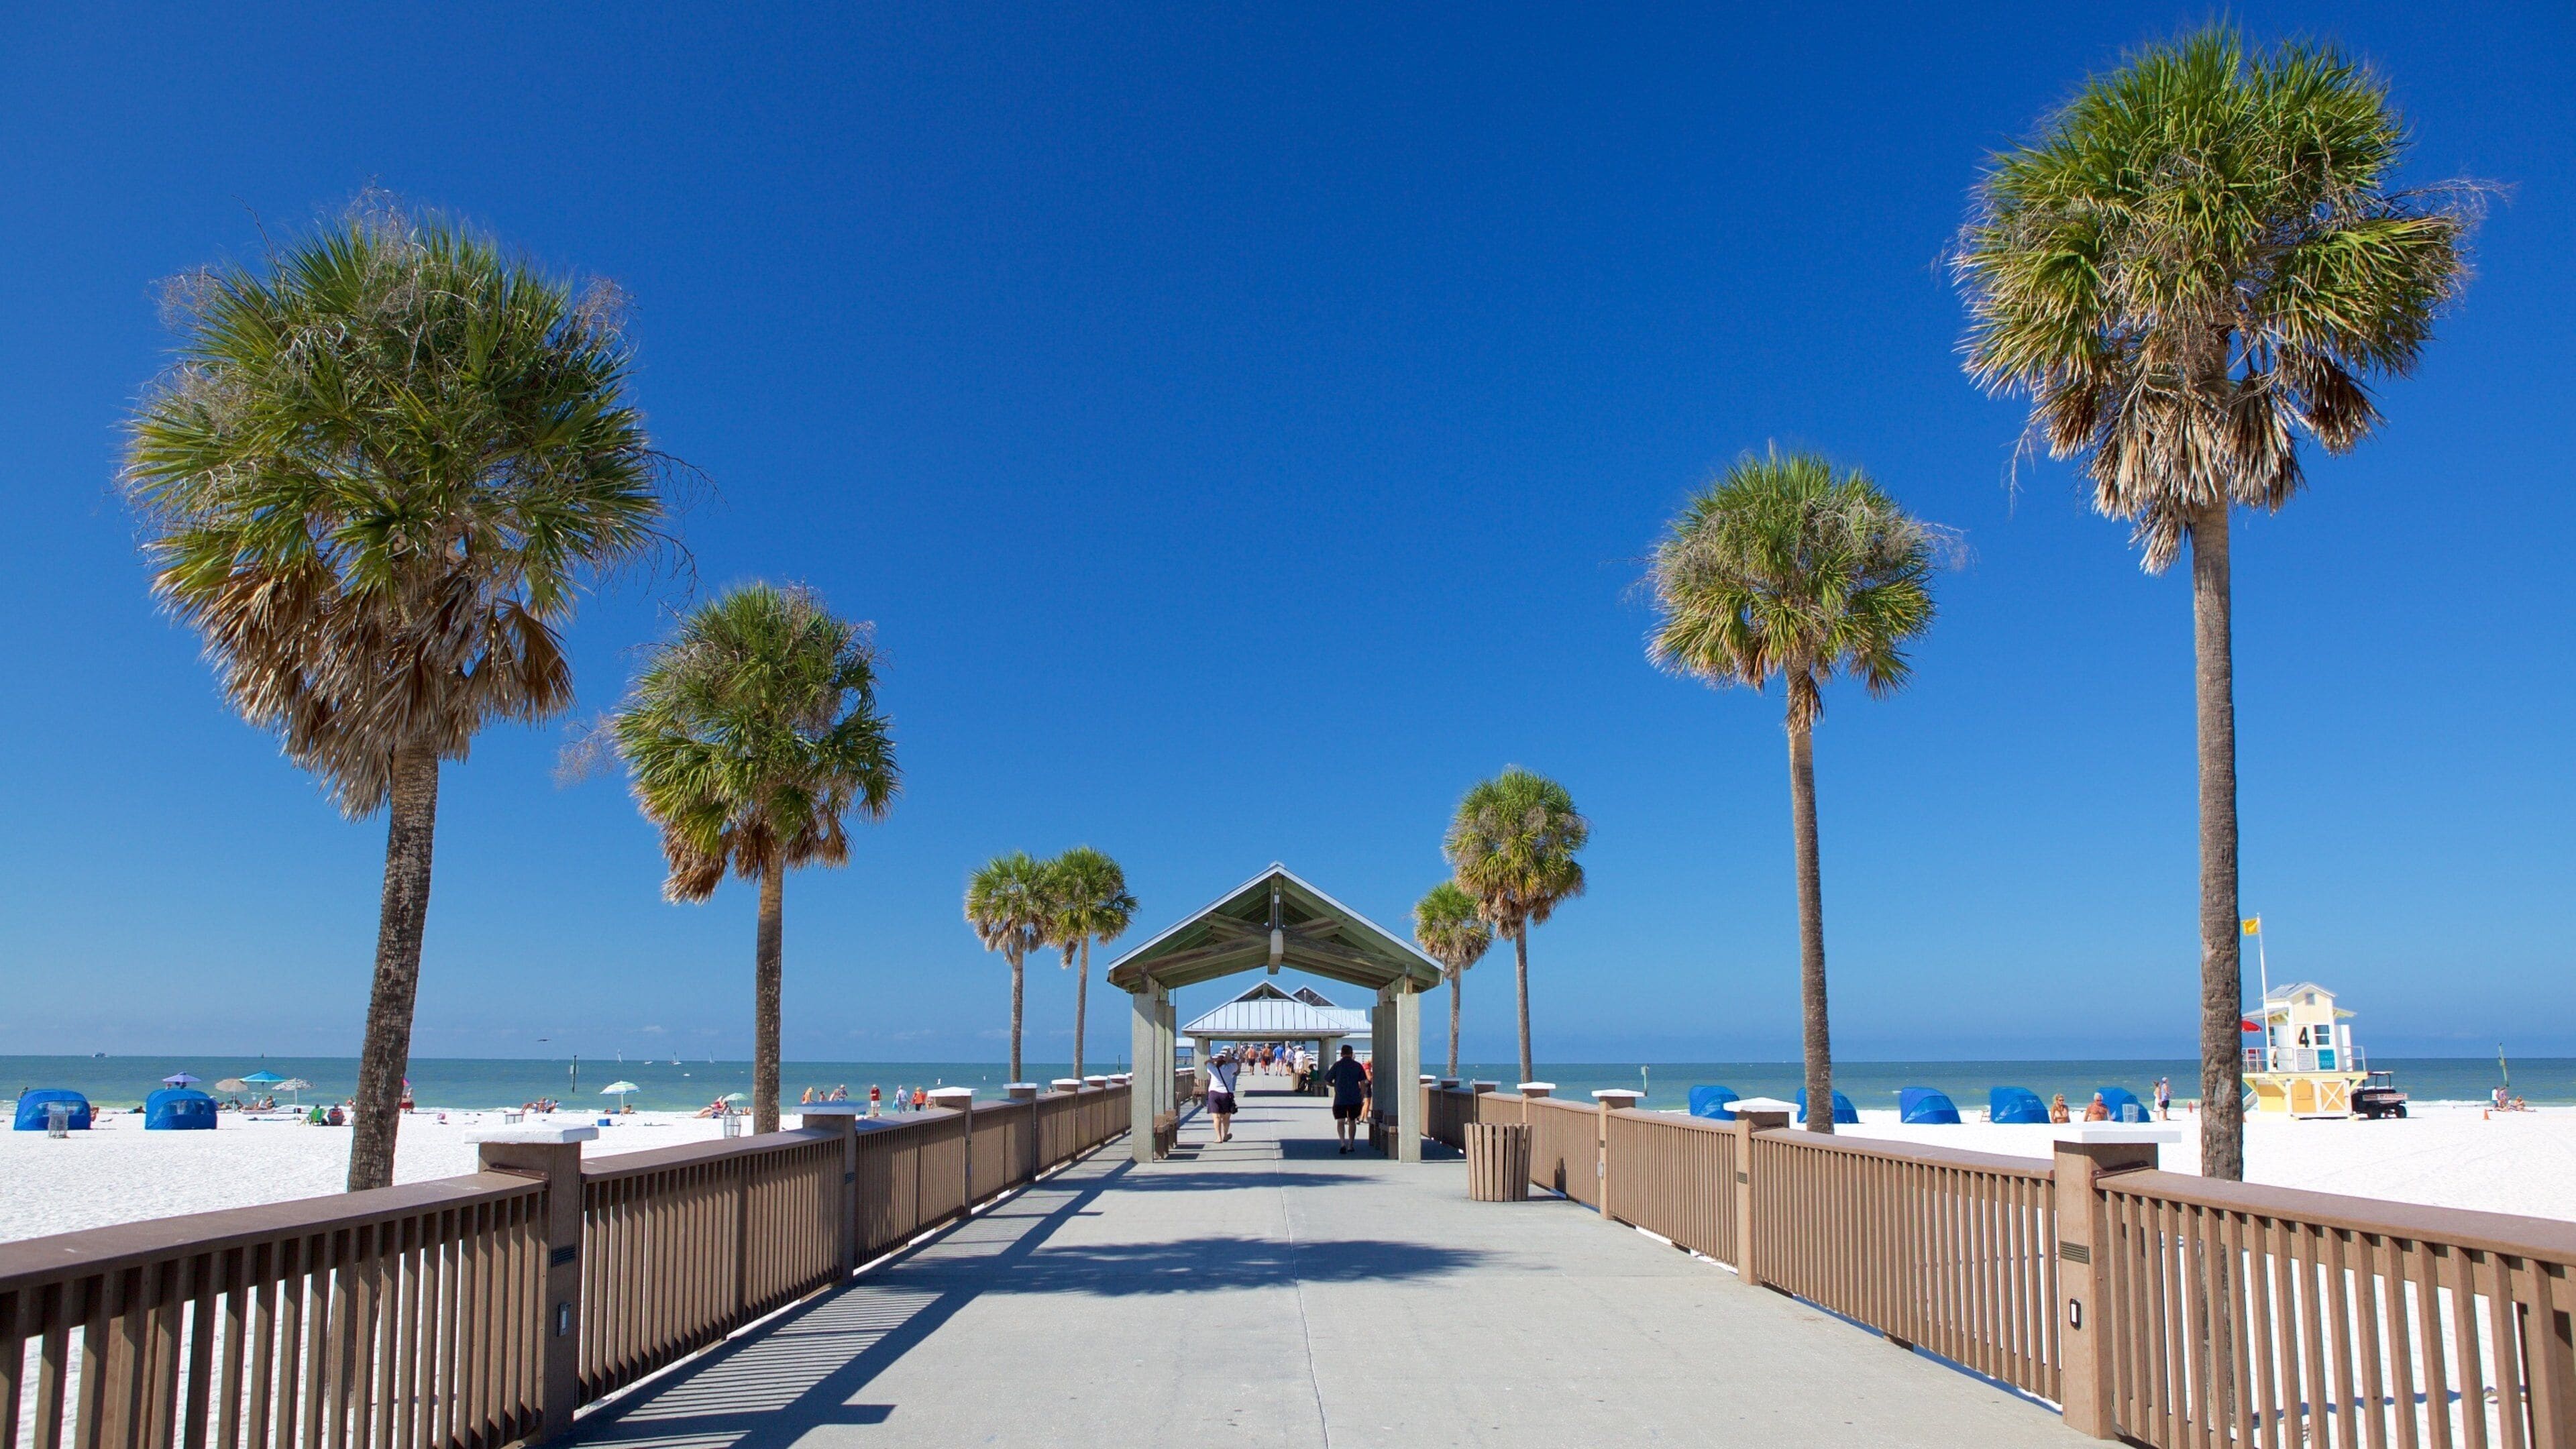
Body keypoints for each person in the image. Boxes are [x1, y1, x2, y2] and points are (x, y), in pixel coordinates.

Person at [1326, 1044, 1371, 1154]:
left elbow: (1327, 1080)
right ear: (1351, 1054)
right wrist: (1362, 1095)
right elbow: (1363, 1083)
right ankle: (1351, 1144)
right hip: (1354, 1098)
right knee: (1352, 1121)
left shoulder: (1337, 1065)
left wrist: (1334, 1085)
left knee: (1340, 1121)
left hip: (1340, 1098)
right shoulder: (1357, 1066)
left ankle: (1342, 1143)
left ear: (1341, 1054)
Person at [1206, 1051, 1241, 1143]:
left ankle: (1219, 1138)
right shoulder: (1230, 1068)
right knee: (1226, 1118)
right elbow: (1237, 1064)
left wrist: (1213, 1060)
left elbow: (1206, 1062)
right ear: (1225, 1061)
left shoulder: (1212, 1068)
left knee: (1216, 1117)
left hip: (1214, 1094)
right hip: (1226, 1095)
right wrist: (1229, 1059)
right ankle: (1225, 1136)